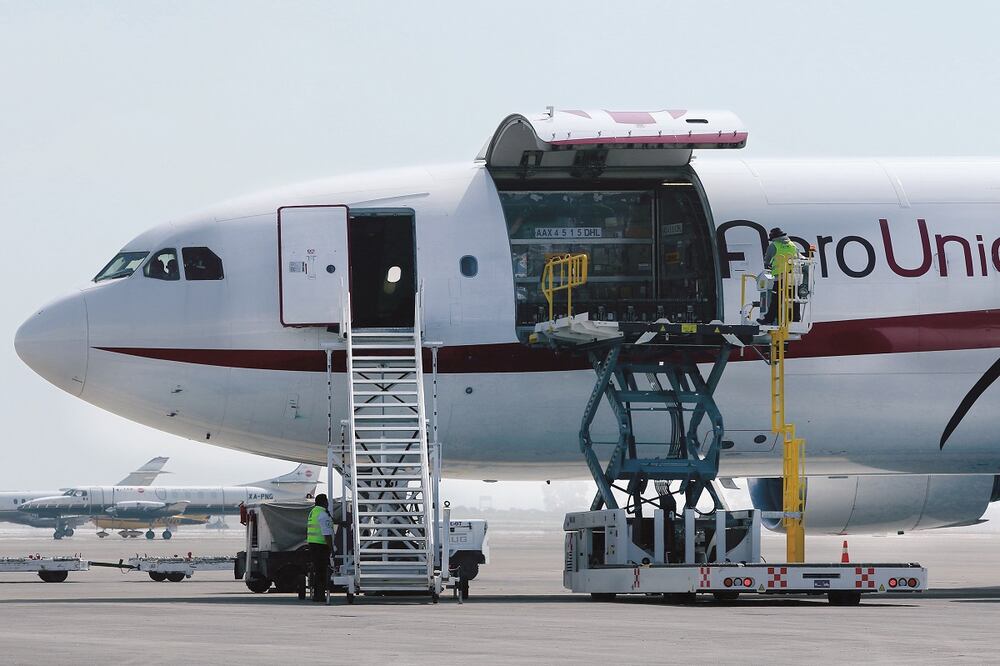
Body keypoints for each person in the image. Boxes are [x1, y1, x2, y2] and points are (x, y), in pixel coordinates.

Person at [761, 227, 801, 325]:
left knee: (776, 300)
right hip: (793, 277)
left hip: (781, 278)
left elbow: (767, 260)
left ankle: (768, 319)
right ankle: (795, 318)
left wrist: (769, 266)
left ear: (774, 238)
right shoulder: (793, 245)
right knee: (793, 298)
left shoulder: (773, 246)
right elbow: (799, 257)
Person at [307, 493, 334, 603]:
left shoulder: (313, 512)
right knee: (322, 572)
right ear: (324, 502)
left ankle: (317, 594)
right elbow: (326, 533)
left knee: (317, 571)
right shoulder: (322, 514)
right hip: (321, 546)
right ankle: (320, 595)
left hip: (313, 544)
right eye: (326, 501)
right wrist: (331, 547)